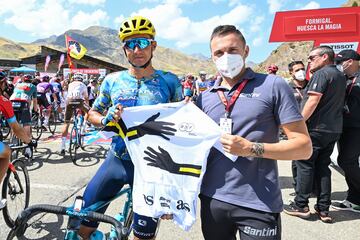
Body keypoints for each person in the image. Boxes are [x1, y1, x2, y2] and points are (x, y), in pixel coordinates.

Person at [196, 25, 312, 240]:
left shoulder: (273, 85)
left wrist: (250, 148)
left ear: (246, 51)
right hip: (212, 199)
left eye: (233, 50)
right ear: (212, 57)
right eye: (219, 53)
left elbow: (303, 147)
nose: (226, 57)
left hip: (258, 203)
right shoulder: (204, 98)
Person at [78, 16, 183, 240]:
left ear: (153, 46)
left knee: (143, 237)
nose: (137, 49)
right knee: (81, 227)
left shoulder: (170, 81)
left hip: (152, 167)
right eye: (131, 44)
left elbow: (180, 129)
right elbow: (92, 114)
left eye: (143, 43)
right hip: (116, 160)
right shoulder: (112, 81)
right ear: (124, 49)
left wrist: (172, 188)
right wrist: (104, 119)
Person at [284, 46, 347, 223]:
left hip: (316, 129)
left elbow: (312, 101)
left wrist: (298, 123)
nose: (309, 61)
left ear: (324, 57)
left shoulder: (322, 74)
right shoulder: (340, 75)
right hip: (333, 129)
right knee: (323, 168)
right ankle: (323, 209)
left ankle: (301, 205)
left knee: (304, 165)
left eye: (312, 58)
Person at [0, 73, 37, 209]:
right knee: (6, 153)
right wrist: (29, 141)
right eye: (4, 83)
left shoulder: (13, 93)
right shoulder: (3, 101)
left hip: (16, 103)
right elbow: (15, 128)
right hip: (23, 107)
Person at [331, 49, 360, 213]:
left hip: (357, 128)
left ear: (351, 62)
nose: (338, 66)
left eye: (340, 62)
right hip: (344, 126)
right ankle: (354, 199)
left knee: (345, 161)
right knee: (350, 162)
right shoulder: (344, 79)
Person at [287, 60, 308, 194]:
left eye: (302, 69)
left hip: (313, 126)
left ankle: (311, 188)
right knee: (296, 160)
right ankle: (298, 188)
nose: (301, 72)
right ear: (291, 73)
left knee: (311, 160)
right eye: (297, 70)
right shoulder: (287, 88)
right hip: (295, 128)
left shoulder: (312, 85)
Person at [60, 73, 90, 154]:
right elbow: (86, 98)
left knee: (66, 123)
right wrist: (87, 106)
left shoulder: (70, 84)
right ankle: (83, 126)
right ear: (81, 79)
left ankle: (62, 146)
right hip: (79, 102)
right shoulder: (83, 84)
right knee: (90, 112)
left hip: (69, 102)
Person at [9, 74, 38, 157]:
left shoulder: (18, 84)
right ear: (31, 80)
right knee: (26, 125)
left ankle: (13, 142)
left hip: (12, 102)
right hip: (23, 103)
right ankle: (28, 149)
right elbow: (34, 101)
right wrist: (35, 111)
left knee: (14, 124)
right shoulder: (33, 86)